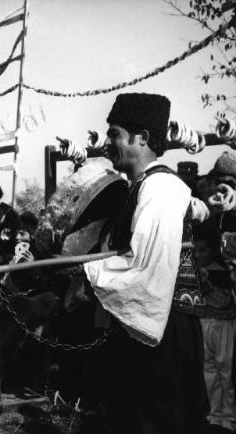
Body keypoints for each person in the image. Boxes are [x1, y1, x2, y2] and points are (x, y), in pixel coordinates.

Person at [81, 93, 209, 433]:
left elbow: (144, 266)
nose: (109, 143)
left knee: (156, 420)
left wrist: (85, 273)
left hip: (163, 327)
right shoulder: (143, 187)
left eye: (115, 134)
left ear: (143, 138)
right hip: (147, 320)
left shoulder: (161, 188)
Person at [193, 224, 236, 433]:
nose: (198, 255)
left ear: (213, 250)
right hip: (205, 323)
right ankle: (215, 412)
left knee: (225, 369)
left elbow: (225, 300)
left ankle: (230, 415)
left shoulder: (220, 272)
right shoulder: (196, 272)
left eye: (203, 250)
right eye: (196, 250)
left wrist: (207, 283)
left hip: (223, 325)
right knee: (209, 369)